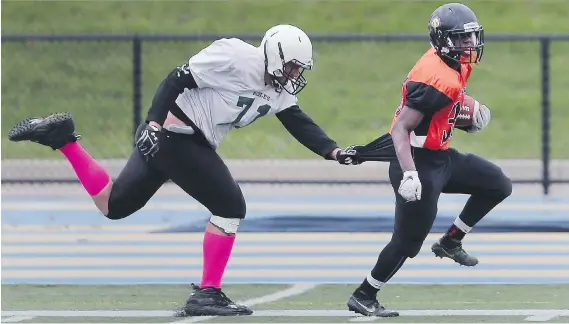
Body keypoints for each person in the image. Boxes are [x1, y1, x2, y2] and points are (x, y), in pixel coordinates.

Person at [8, 24, 359, 317]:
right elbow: (177, 79)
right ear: (273, 55)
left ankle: (64, 139)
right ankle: (207, 293)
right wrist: (153, 123)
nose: (295, 75)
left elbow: (298, 121)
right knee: (230, 207)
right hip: (176, 134)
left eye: (300, 69)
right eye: (292, 67)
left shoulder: (277, 88)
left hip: (179, 140)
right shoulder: (236, 56)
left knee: (112, 205)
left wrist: (334, 151)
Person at [340, 3, 512, 317]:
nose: (470, 45)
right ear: (443, 41)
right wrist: (409, 173)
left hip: (440, 156)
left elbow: (438, 109)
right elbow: (401, 129)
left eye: (472, 37)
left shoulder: (454, 64)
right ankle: (364, 294)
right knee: (407, 244)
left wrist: (459, 115)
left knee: (498, 184)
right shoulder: (436, 78)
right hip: (417, 161)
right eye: (462, 39)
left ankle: (450, 242)